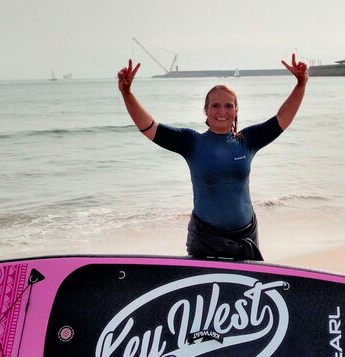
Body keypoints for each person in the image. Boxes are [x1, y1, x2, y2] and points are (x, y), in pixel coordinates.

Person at [117, 55, 308, 261]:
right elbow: (149, 127)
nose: (222, 111)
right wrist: (127, 93)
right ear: (206, 111)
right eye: (215, 106)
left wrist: (301, 83)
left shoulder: (247, 140)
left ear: (236, 111)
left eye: (229, 106)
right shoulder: (191, 142)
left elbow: (282, 119)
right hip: (206, 239)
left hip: (246, 237)